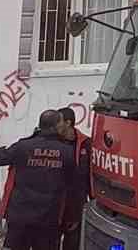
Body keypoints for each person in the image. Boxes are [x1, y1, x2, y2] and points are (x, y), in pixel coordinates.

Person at [0, 109, 74, 250]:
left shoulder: (23, 146)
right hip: (48, 218)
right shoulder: (67, 152)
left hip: (20, 215)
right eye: (61, 122)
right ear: (56, 126)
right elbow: (72, 186)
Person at [57, 107, 92, 250]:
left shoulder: (86, 144)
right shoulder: (52, 142)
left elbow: (91, 175)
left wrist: (92, 202)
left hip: (76, 206)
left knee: (72, 244)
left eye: (58, 122)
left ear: (68, 123)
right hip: (55, 203)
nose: (55, 126)